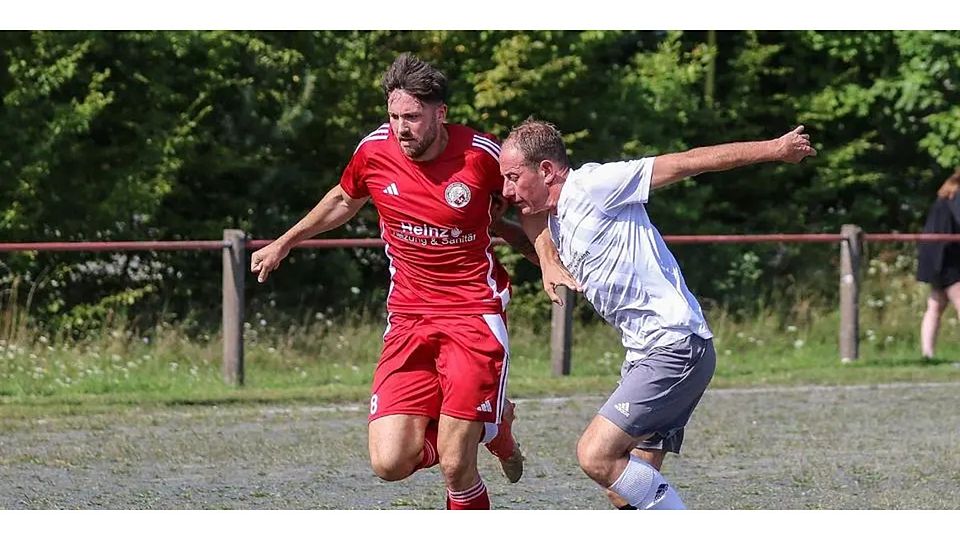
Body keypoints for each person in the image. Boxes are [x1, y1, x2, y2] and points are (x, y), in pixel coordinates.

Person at [250, 54, 571, 510]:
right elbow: (345, 197)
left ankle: (478, 431)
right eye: (394, 116)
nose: (402, 128)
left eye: (413, 117)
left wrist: (547, 258)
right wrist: (285, 242)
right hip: (407, 316)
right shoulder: (374, 152)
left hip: (472, 314)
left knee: (457, 467)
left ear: (440, 114)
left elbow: (528, 205)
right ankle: (492, 422)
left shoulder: (482, 156)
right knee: (389, 462)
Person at [500, 119, 816, 509]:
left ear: (547, 170)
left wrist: (775, 148)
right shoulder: (558, 220)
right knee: (624, 490)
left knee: (595, 455)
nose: (506, 189)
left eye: (513, 177)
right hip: (647, 353)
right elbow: (532, 227)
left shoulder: (594, 186)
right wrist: (519, 240)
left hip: (675, 346)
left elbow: (687, 162)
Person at [917, 168, 960, 359]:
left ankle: (927, 354)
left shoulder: (946, 194)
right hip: (947, 257)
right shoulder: (957, 195)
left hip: (935, 256)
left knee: (935, 306)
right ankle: (927, 354)